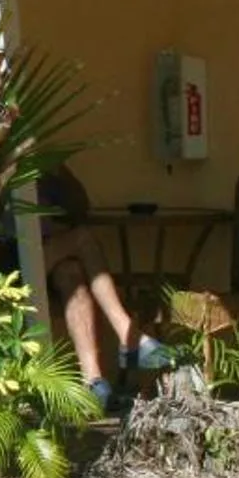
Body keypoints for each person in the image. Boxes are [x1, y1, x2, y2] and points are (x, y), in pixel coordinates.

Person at [32, 165, 176, 410]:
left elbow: (80, 207)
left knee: (73, 277)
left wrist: (56, 170)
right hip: (10, 260)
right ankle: (128, 336)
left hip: (47, 255)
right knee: (83, 239)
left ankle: (94, 384)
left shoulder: (40, 170)